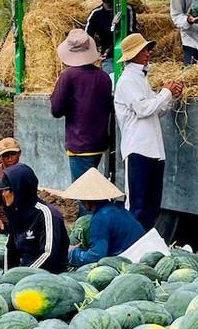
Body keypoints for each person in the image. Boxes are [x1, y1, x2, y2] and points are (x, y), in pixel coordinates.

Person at [113, 33, 181, 232]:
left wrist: (172, 97)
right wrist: (165, 93)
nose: (147, 53)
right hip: (138, 150)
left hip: (152, 151)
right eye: (143, 50)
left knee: (151, 207)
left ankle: (144, 246)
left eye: (147, 49)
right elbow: (144, 109)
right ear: (132, 55)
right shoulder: (127, 81)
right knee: (138, 207)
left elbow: (156, 109)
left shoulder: (141, 79)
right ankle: (132, 248)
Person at [49, 29, 114, 180]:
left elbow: (56, 110)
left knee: (84, 194)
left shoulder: (68, 76)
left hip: (79, 144)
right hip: (99, 142)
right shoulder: (104, 77)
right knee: (95, 189)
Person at [0, 163, 68, 273]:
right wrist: (7, 276)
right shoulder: (16, 212)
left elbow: (48, 255)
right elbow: (10, 249)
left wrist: (22, 277)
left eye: (6, 190)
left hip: (49, 276)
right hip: (24, 272)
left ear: (19, 191)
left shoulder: (47, 214)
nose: (3, 194)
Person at [60, 168, 145, 266]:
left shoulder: (101, 218)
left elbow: (95, 257)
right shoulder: (116, 208)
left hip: (133, 261)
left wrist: (71, 253)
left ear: (86, 201)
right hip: (142, 253)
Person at [84, 0, 139, 76]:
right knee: (110, 77)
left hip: (128, 52)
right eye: (104, 0)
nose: (108, 2)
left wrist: (111, 48)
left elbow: (131, 32)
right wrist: (95, 52)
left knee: (132, 76)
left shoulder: (127, 9)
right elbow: (87, 36)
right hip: (108, 56)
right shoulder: (96, 14)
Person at [0, 137, 23, 233]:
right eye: (5, 155)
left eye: (13, 154)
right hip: (5, 218)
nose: (10, 159)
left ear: (19, 154)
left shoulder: (24, 172)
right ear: (0, 157)